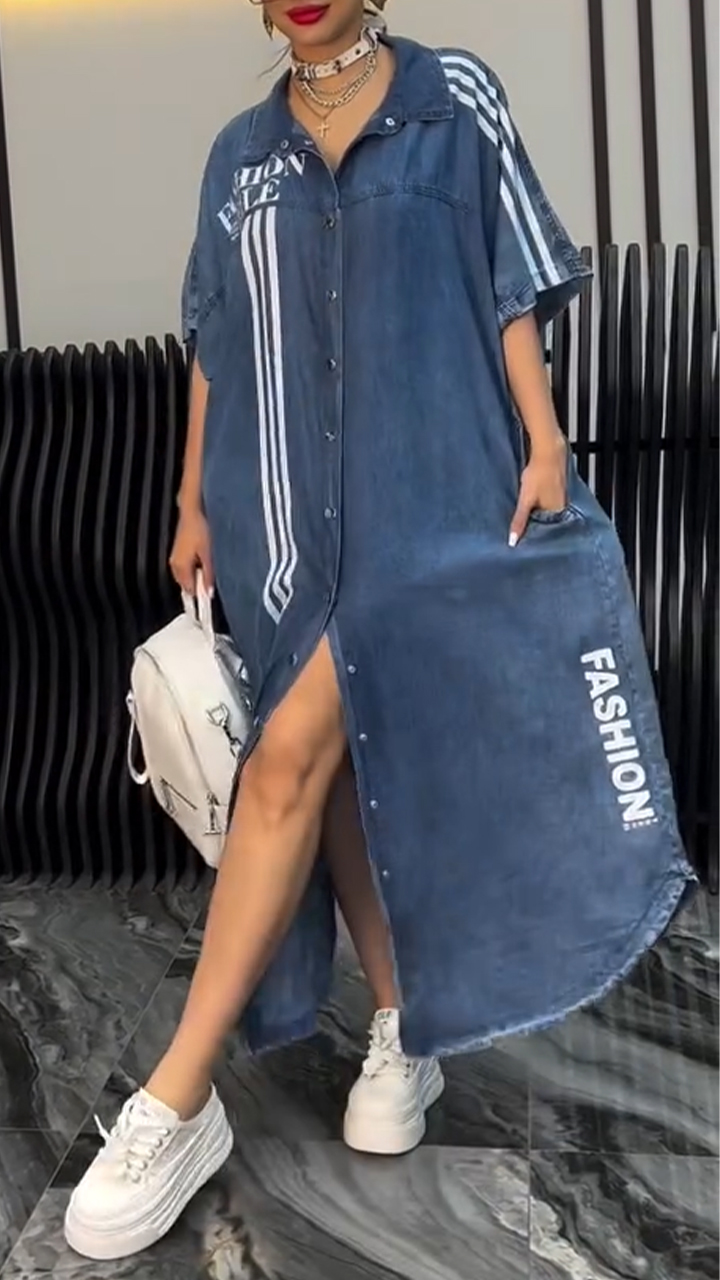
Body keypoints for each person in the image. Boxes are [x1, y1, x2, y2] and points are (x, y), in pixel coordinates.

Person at [64, 0, 693, 1262]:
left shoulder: (453, 95)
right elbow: (217, 335)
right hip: (279, 517)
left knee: (285, 764)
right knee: (333, 771)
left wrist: (545, 438)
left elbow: (506, 277)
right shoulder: (240, 154)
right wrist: (192, 497)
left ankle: (177, 1096)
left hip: (428, 496)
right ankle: (404, 1029)